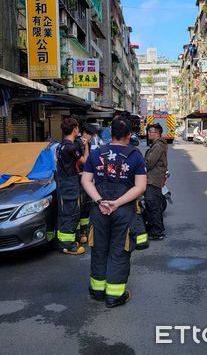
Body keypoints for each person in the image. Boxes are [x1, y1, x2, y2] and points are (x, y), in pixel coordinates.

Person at [81, 116, 147, 308]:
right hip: (123, 211)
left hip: (99, 210)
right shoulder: (135, 155)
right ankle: (114, 295)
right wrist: (117, 203)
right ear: (129, 135)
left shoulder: (96, 153)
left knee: (99, 249)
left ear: (110, 133)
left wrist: (101, 201)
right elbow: (140, 186)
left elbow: (85, 181)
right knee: (119, 250)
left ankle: (97, 290)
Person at [56, 117, 90, 255]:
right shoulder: (71, 147)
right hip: (69, 183)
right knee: (70, 212)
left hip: (64, 182)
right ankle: (67, 245)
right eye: (77, 128)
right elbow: (85, 161)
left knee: (69, 211)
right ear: (75, 129)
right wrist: (86, 146)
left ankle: (71, 240)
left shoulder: (60, 145)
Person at [74, 123, 97, 244]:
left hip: (85, 178)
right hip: (77, 179)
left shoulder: (85, 143)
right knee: (80, 206)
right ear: (86, 134)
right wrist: (87, 146)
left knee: (86, 205)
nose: (92, 139)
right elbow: (85, 161)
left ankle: (84, 231)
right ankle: (78, 234)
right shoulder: (78, 143)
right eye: (92, 136)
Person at [144, 123, 168, 240]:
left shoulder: (157, 147)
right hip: (155, 179)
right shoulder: (157, 145)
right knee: (154, 206)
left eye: (151, 132)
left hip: (153, 180)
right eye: (148, 131)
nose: (148, 134)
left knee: (152, 206)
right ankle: (157, 229)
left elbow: (149, 163)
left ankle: (157, 232)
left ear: (157, 133)